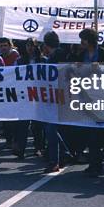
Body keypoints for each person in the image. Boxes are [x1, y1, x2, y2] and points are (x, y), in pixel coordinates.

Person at [68, 28, 104, 177]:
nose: (81, 42)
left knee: (98, 131)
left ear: (90, 40)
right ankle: (94, 162)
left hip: (101, 95)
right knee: (89, 129)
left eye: (83, 39)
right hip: (86, 95)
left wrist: (100, 70)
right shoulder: (81, 55)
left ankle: (97, 162)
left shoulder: (103, 54)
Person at [14, 38, 46, 159]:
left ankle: (38, 148)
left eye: (32, 45)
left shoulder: (43, 61)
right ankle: (21, 149)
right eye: (28, 45)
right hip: (24, 97)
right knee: (22, 124)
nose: (30, 48)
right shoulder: (19, 61)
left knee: (38, 125)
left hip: (38, 97)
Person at [41, 31, 68, 173]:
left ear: (46, 44)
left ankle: (54, 161)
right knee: (53, 128)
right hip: (57, 96)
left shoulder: (55, 57)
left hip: (57, 96)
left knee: (51, 129)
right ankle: (64, 154)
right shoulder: (58, 55)